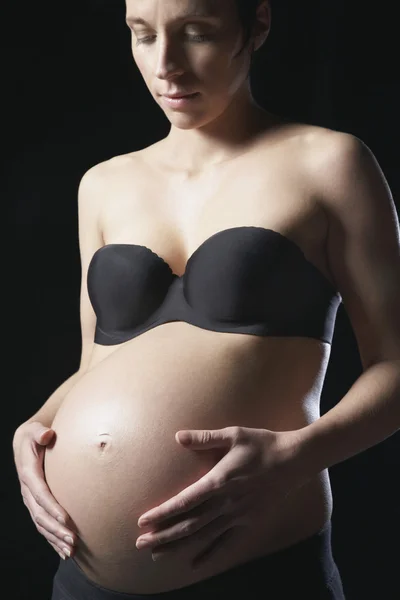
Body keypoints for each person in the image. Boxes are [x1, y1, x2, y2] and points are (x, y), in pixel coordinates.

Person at [12, 0, 400, 598]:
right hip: (83, 578)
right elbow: (97, 364)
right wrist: (35, 426)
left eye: (197, 34)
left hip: (261, 570)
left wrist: (292, 459)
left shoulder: (331, 164)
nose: (166, 65)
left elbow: (395, 366)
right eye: (142, 36)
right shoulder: (104, 184)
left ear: (258, 26)